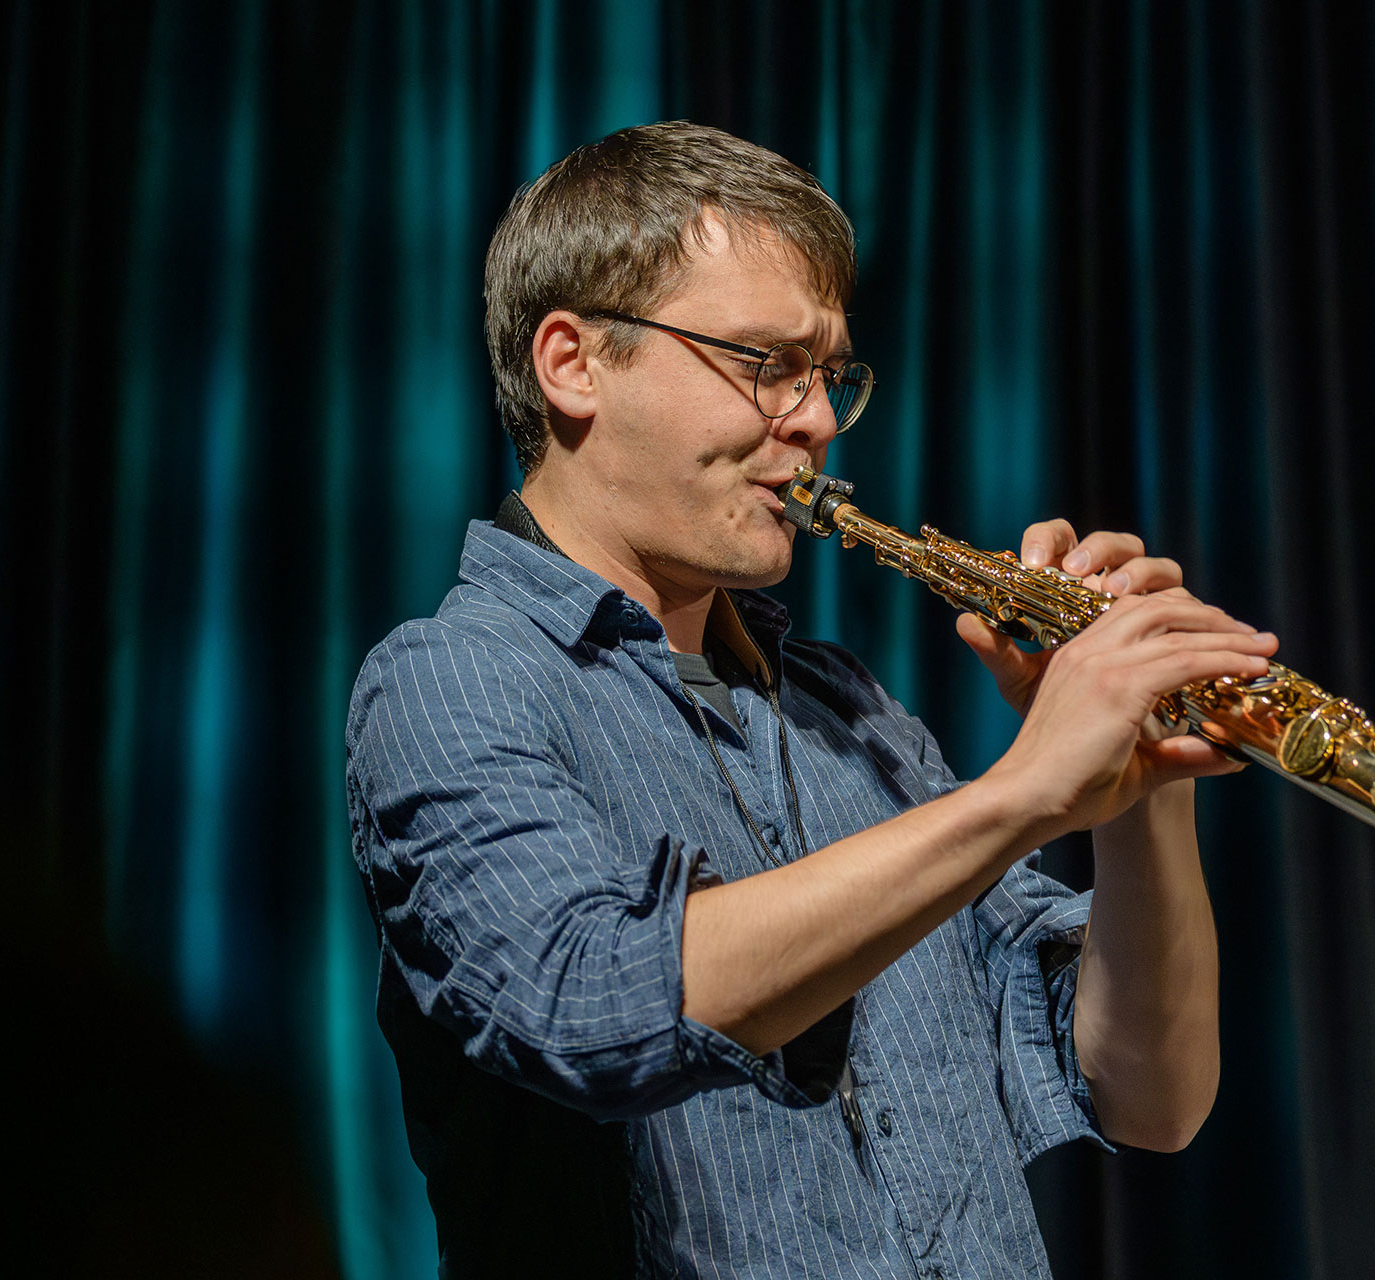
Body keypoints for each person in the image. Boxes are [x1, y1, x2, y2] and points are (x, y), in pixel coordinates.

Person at [346, 120, 1279, 1278]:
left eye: (829, 372)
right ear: (572, 362)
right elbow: (589, 1001)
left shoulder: (851, 710)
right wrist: (1023, 794)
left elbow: (1146, 1092)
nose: (819, 422)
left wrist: (1144, 777)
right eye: (762, 363)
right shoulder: (451, 677)